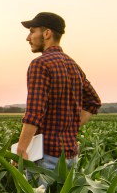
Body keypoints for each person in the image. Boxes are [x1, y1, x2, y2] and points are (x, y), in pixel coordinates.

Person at [16, 12, 101, 172]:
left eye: (32, 31)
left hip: (45, 157)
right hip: (70, 157)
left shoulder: (40, 64)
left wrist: (21, 150)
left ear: (47, 33)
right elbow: (93, 102)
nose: (28, 38)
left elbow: (34, 112)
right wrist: (71, 126)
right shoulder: (72, 65)